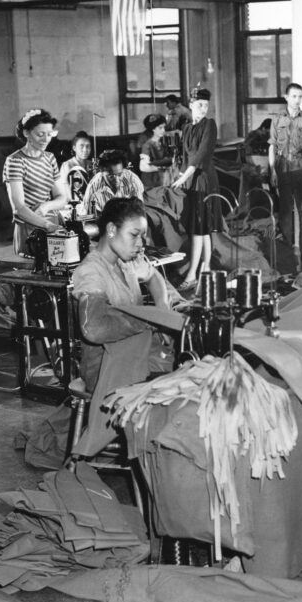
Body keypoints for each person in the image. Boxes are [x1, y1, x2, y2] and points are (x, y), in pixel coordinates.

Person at [70, 197, 179, 393]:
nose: (140, 243)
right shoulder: (91, 271)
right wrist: (149, 320)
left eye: (142, 236)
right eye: (134, 235)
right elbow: (93, 329)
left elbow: (153, 276)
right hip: (105, 368)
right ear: (111, 230)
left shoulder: (126, 261)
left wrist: (162, 305)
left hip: (134, 353)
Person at [2, 108, 68, 256]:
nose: (45, 139)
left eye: (49, 134)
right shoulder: (15, 161)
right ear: (26, 133)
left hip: (52, 222)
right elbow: (19, 208)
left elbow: (62, 198)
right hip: (29, 226)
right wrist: (46, 225)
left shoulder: (50, 158)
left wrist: (45, 206)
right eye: (40, 134)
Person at [172, 87, 220, 288]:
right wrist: (181, 175)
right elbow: (185, 156)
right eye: (199, 105)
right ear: (191, 105)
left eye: (206, 105)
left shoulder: (209, 125)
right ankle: (206, 269)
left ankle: (193, 274)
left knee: (200, 228)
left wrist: (186, 176)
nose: (203, 108)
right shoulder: (187, 128)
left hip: (204, 180)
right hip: (191, 179)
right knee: (200, 228)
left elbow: (201, 154)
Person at [269, 82, 302, 270]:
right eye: (294, 96)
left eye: (300, 96)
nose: (297, 100)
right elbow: (272, 146)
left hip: (301, 167)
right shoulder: (277, 119)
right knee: (285, 212)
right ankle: (287, 251)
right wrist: (272, 170)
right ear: (286, 97)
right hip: (282, 167)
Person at [81, 148, 145, 215]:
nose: (117, 179)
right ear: (101, 172)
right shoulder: (94, 185)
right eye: (111, 176)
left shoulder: (133, 180)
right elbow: (86, 214)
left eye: (119, 174)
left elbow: (140, 211)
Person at [138, 114, 177, 211]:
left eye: (164, 127)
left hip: (162, 181)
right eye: (160, 128)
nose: (163, 130)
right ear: (153, 129)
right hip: (151, 183)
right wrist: (161, 167)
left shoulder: (164, 143)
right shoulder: (147, 145)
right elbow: (143, 167)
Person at [59, 131, 95, 213]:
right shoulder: (67, 165)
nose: (85, 150)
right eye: (81, 146)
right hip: (73, 206)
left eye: (88, 146)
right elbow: (66, 191)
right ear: (74, 148)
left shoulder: (92, 165)